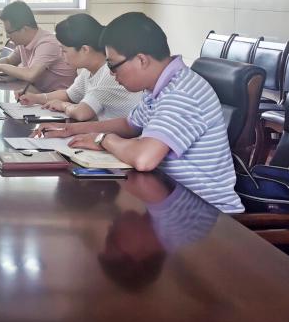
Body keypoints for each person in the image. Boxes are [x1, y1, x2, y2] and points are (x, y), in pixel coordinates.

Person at [33, 12, 243, 213]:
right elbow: (129, 124)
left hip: (206, 216)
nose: (112, 74)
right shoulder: (159, 86)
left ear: (142, 60)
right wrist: (70, 130)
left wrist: (103, 139)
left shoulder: (182, 92)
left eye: (113, 66)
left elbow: (144, 158)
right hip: (169, 198)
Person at [17, 13, 142, 121]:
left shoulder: (110, 73)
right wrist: (35, 98)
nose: (61, 55)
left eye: (64, 50)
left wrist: (64, 106)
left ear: (84, 50)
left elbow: (81, 113)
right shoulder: (90, 71)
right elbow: (69, 95)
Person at [0, 0, 76, 91]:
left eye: (9, 32)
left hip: (60, 101)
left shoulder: (47, 43)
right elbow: (9, 61)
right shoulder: (23, 43)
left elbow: (30, 74)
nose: (8, 36)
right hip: (39, 96)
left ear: (24, 29)